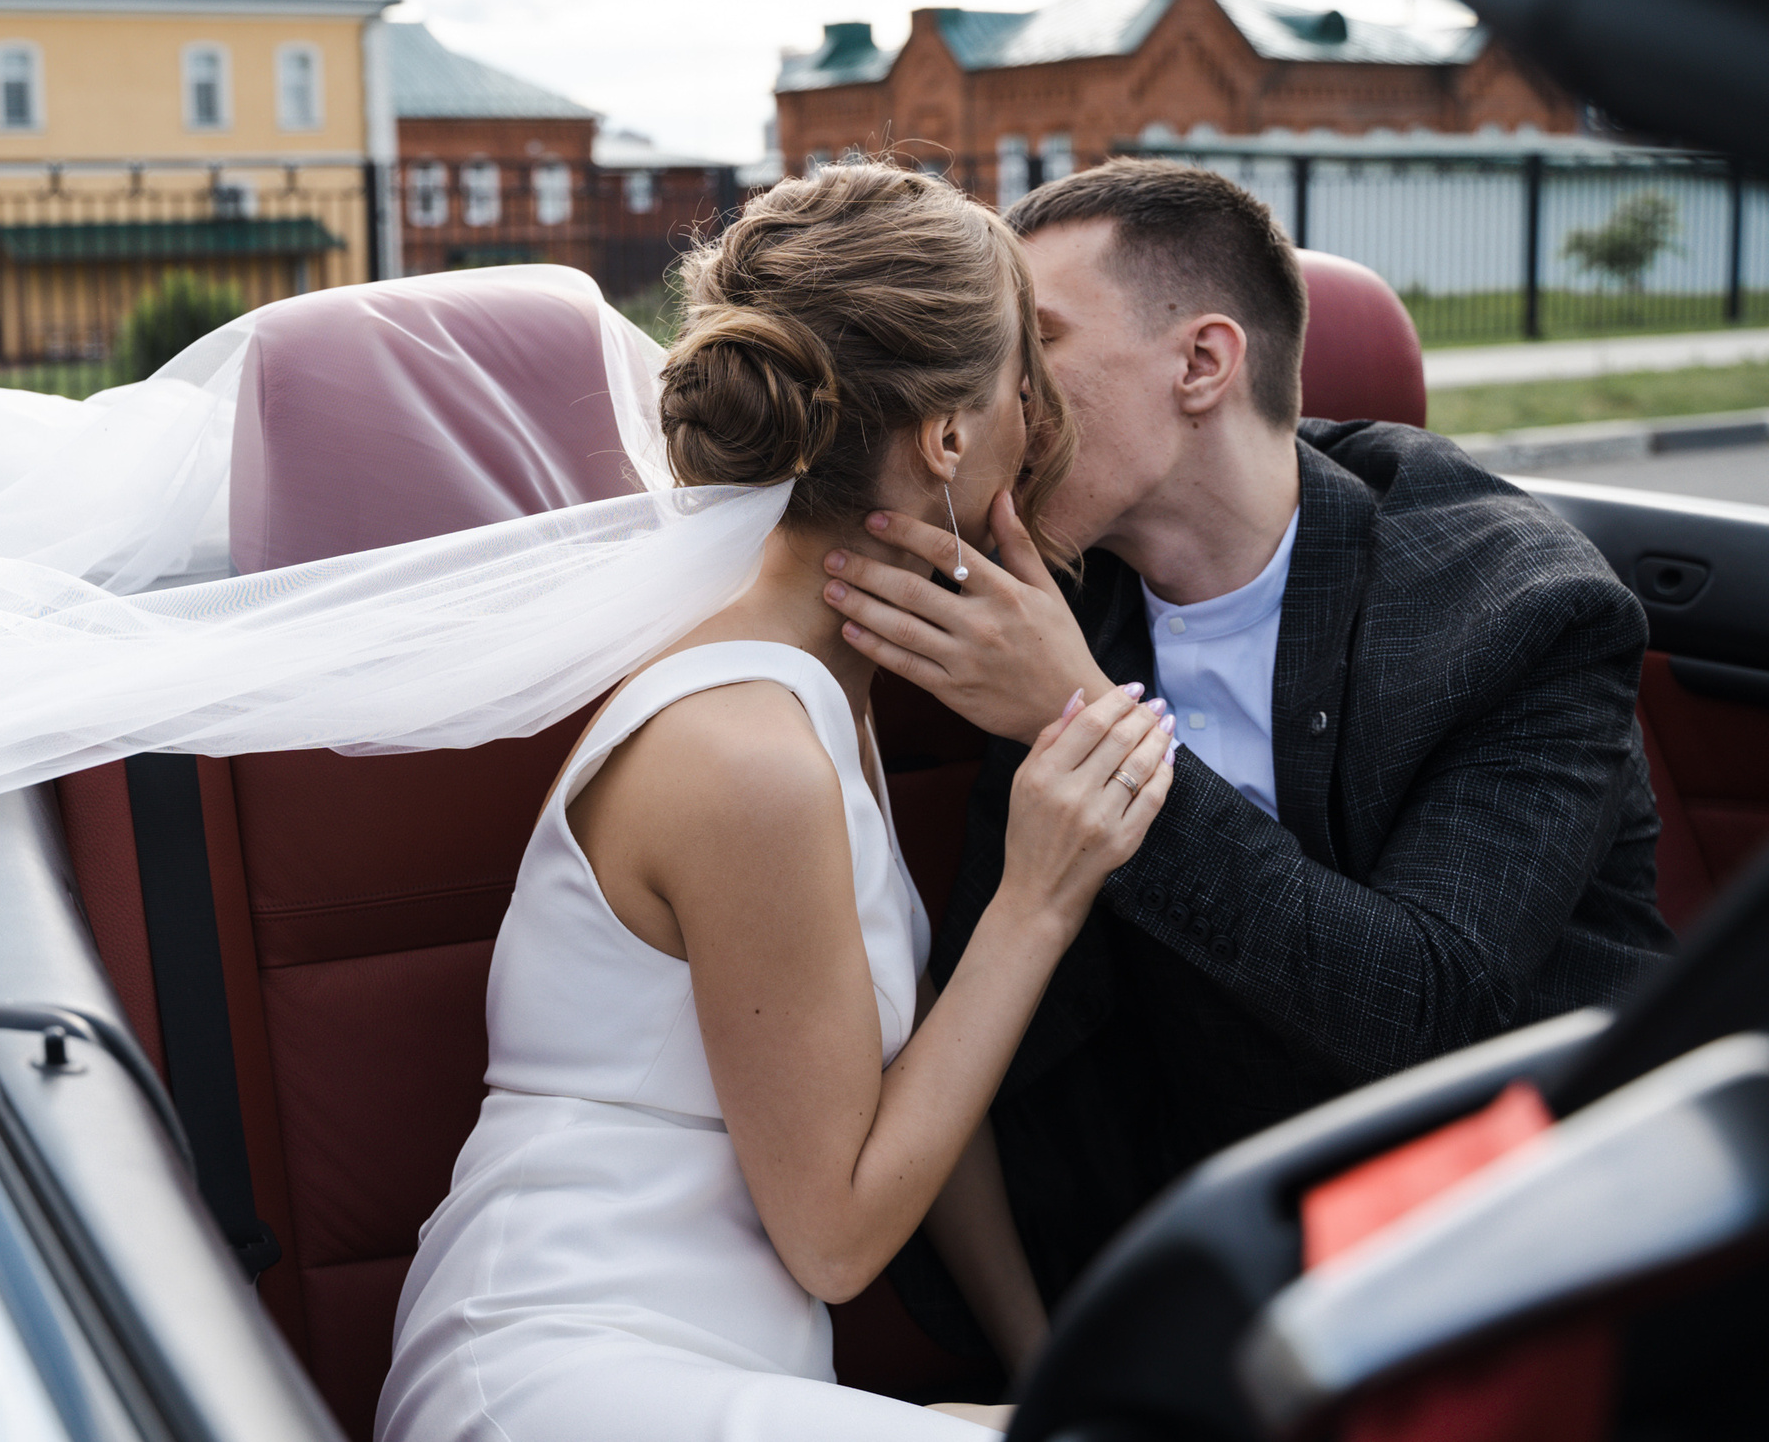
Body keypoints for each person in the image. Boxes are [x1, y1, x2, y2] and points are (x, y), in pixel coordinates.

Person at [379, 163, 1179, 1442]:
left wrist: (1049, 1367)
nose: (1045, 415)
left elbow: (899, 1081)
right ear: (949, 438)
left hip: (710, 1370)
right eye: (1022, 375)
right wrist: (1038, 897)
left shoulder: (820, 679)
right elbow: (835, 1241)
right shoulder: (742, 750)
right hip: (569, 1374)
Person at [816, 159, 1675, 1347]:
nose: (1009, 395)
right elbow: (995, 1038)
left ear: (1203, 364)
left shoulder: (1518, 609)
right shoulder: (1056, 604)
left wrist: (1080, 717)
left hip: (1538, 1231)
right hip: (1222, 1266)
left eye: (1041, 342)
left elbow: (1423, 1014)